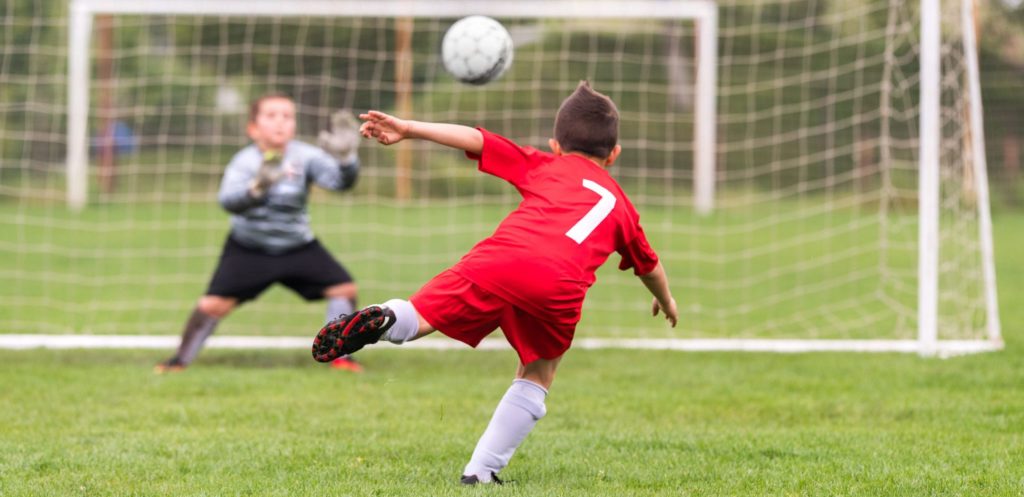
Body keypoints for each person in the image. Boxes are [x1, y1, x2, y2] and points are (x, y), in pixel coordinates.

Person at [311, 81, 679, 483]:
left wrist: (409, 128)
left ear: (556, 145)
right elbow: (650, 266)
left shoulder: (545, 164)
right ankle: (480, 472)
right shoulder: (622, 207)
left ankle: (382, 318)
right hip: (558, 286)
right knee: (538, 372)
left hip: (500, 260)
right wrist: (667, 299)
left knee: (419, 316)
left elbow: (477, 139)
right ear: (614, 155)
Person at [156, 94, 365, 373]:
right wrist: (256, 190)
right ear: (252, 128)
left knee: (344, 289)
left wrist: (347, 159)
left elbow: (341, 183)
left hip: (298, 246)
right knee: (212, 305)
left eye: (287, 116)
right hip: (249, 248)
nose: (280, 122)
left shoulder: (305, 156)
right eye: (271, 116)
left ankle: (340, 357)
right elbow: (227, 202)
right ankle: (178, 361)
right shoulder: (243, 162)